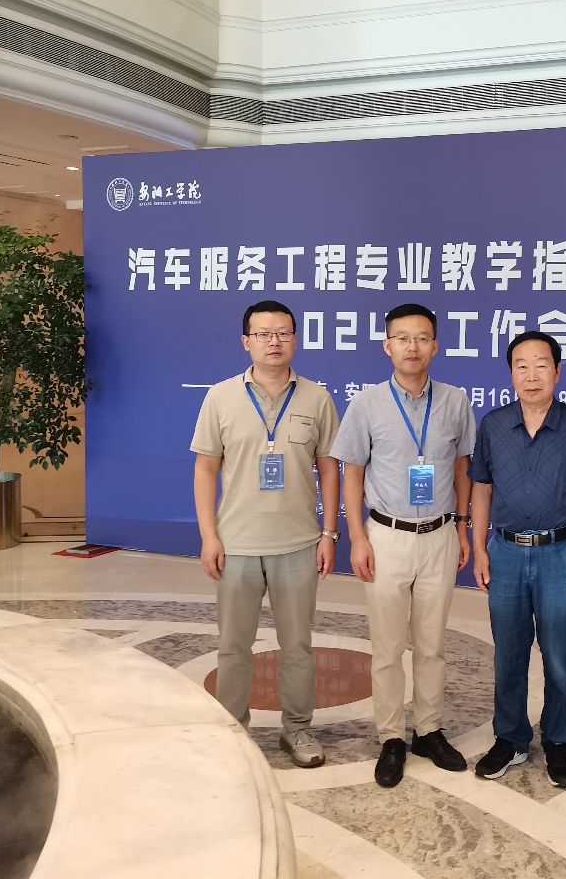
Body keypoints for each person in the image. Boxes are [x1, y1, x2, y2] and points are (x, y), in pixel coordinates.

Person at [330, 303, 476, 788]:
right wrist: (357, 537)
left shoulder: (454, 401)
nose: (413, 347)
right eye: (403, 338)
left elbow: (462, 467)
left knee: (432, 646)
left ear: (436, 346)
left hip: (439, 535)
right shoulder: (366, 404)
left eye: (423, 338)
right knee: (388, 647)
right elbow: (352, 474)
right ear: (387, 345)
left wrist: (462, 526)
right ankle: (391, 736)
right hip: (385, 537)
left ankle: (429, 731)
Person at [191, 299, 342, 768]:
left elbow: (329, 468)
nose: (274, 342)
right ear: (246, 341)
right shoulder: (220, 397)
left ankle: (297, 729)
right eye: (263, 334)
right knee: (233, 647)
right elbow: (205, 470)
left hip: (298, 544)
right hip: (236, 544)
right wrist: (209, 536)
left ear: (295, 339)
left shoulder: (317, 398)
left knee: (297, 646)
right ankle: (233, 732)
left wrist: (329, 532)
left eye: (283, 333)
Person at [469, 331, 566, 788]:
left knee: (559, 656)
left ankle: (559, 741)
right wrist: (481, 548)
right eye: (521, 366)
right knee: (508, 654)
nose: (532, 375)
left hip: (558, 554)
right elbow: (481, 489)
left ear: (557, 372)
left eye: (541, 365)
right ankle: (510, 738)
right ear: (511, 373)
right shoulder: (493, 425)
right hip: (505, 552)